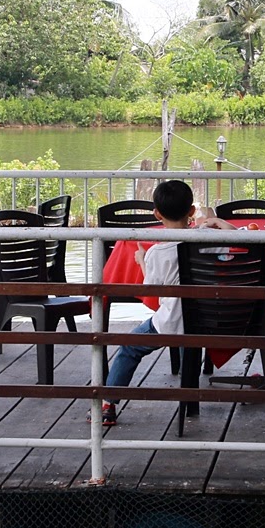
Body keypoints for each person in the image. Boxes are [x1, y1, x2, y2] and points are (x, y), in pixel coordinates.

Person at [100, 179, 233, 428]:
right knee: (188, 336)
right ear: (192, 211)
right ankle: (188, 392)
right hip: (208, 319)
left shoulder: (157, 252)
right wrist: (219, 223)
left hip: (171, 322)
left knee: (129, 348)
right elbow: (244, 240)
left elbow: (151, 288)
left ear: (157, 214)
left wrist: (141, 260)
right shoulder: (209, 238)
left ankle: (108, 403)